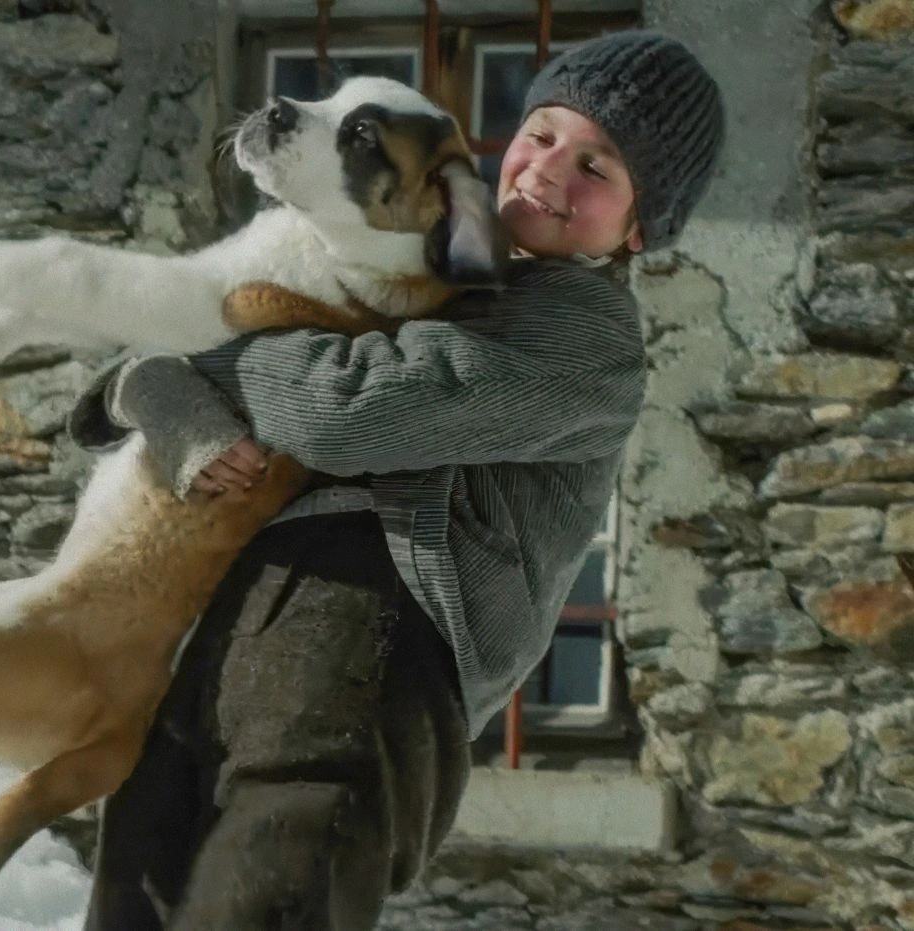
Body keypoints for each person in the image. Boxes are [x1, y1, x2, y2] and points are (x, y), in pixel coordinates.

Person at [65, 30, 725, 931]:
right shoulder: (447, 265)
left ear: (641, 226)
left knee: (264, 897)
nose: (546, 170)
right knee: (137, 887)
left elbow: (352, 409)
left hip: (373, 635)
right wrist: (153, 380)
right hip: (251, 611)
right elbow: (277, 321)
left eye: (596, 166)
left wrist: (191, 371)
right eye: (540, 134)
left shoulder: (587, 338)